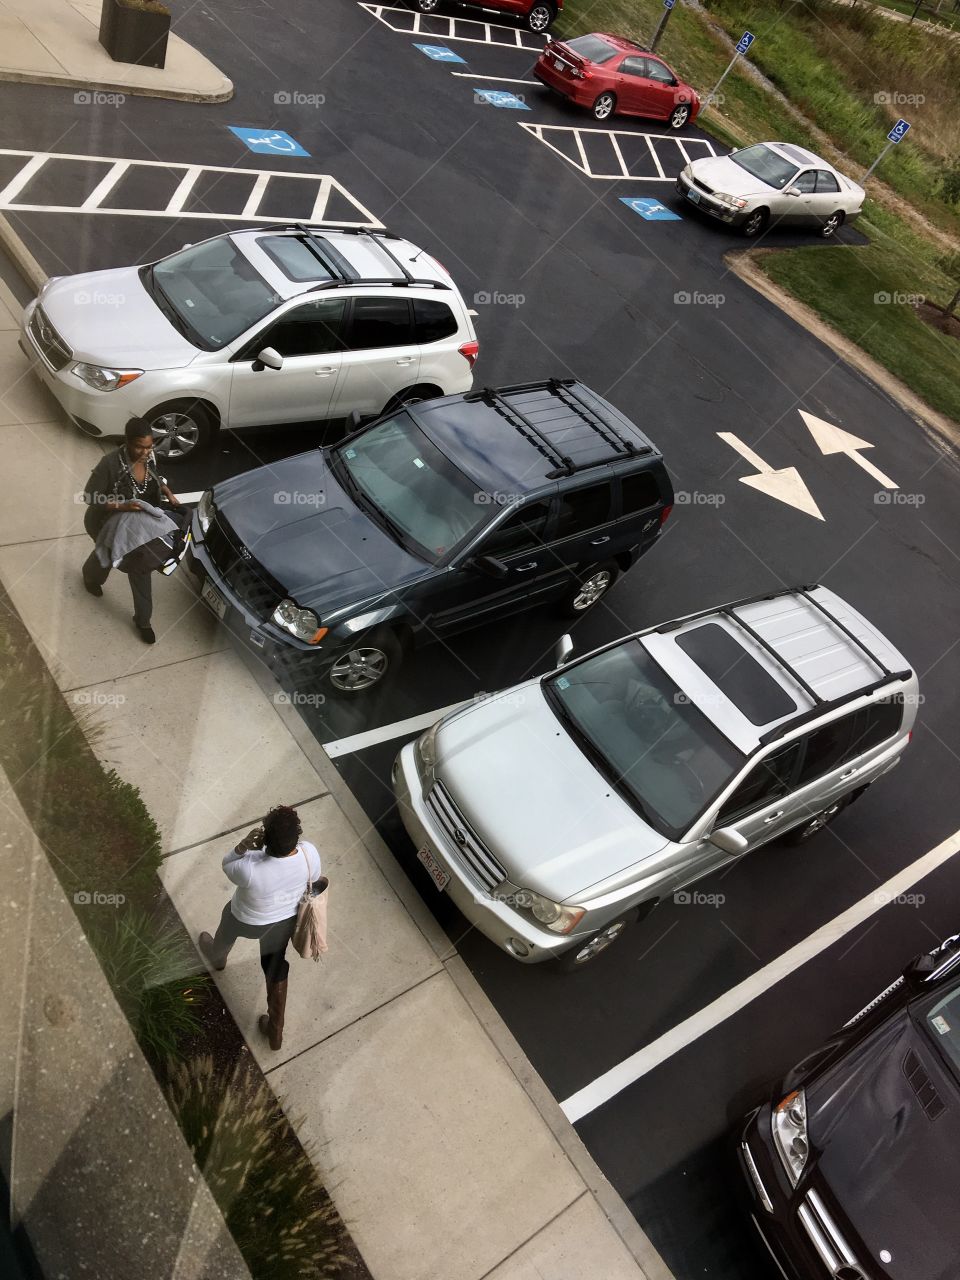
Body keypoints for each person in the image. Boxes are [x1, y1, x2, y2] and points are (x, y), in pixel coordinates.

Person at [198, 805, 321, 1052]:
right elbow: (315, 878)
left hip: (245, 919)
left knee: (226, 927)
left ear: (265, 837)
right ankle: (275, 1031)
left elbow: (227, 863)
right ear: (296, 836)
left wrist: (243, 845)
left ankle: (218, 957)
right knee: (275, 966)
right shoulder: (309, 855)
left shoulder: (249, 866)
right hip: (282, 923)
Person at [81, 418, 183, 644]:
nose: (146, 452)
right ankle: (90, 577)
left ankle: (143, 621)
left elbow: (155, 476)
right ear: (127, 442)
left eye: (149, 446)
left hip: (139, 526)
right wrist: (122, 505)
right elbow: (89, 497)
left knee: (141, 568)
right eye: (140, 446)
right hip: (106, 523)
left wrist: (167, 491)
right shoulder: (109, 464)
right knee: (106, 554)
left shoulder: (148, 457)